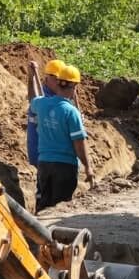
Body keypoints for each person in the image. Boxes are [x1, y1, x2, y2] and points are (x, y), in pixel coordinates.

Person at [30, 61, 95, 212]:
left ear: (58, 83)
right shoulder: (71, 112)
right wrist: (88, 167)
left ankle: (39, 232)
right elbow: (79, 144)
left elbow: (32, 98)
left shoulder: (42, 104)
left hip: (44, 164)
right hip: (64, 167)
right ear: (74, 87)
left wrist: (31, 77)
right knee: (60, 208)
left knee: (43, 205)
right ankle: (57, 235)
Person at [24, 59, 65, 166]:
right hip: (41, 153)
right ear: (46, 79)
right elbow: (34, 99)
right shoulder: (42, 97)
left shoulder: (60, 96)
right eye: (56, 79)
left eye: (61, 79)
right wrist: (31, 77)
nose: (59, 82)